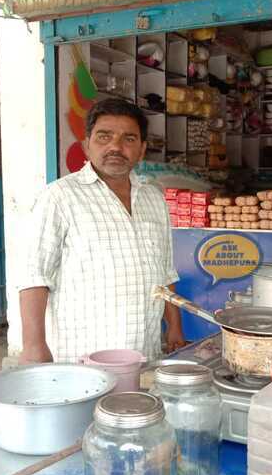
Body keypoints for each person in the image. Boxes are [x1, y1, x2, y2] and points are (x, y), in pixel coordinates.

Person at [19, 98, 184, 364]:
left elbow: (165, 271)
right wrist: (33, 346)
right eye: (104, 136)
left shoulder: (154, 198)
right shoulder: (60, 197)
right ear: (86, 145)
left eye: (128, 139)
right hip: (85, 355)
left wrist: (174, 328)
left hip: (145, 352)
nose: (115, 147)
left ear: (142, 149)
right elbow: (34, 277)